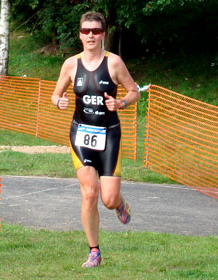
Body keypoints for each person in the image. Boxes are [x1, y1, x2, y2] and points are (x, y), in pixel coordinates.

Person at [51, 11, 140, 268]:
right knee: (89, 193)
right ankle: (94, 251)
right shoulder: (70, 64)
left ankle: (119, 202)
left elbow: (134, 91)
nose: (91, 35)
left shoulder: (114, 63)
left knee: (108, 199)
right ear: (80, 34)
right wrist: (60, 102)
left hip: (109, 135)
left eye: (96, 31)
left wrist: (121, 102)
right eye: (86, 31)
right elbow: (55, 95)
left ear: (103, 34)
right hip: (81, 134)